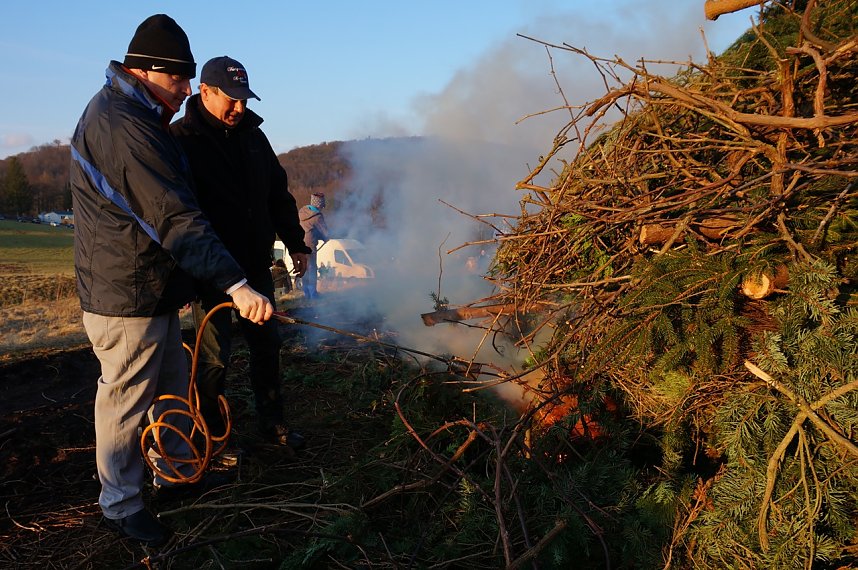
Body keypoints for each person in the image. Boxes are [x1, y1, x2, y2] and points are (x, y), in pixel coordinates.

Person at [69, 15, 275, 548]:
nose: (185, 90)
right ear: (148, 70)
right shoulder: (124, 125)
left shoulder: (136, 112)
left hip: (152, 288)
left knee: (170, 386)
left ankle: (179, 472)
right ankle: (121, 504)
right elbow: (174, 216)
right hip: (124, 295)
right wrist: (236, 284)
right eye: (180, 80)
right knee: (125, 398)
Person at [170, 56, 311, 456]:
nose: (239, 108)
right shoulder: (182, 140)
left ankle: (273, 423)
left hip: (254, 264)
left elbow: (278, 195)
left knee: (267, 346)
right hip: (210, 274)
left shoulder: (254, 137)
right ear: (205, 91)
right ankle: (213, 435)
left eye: (244, 100)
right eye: (230, 100)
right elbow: (175, 217)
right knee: (213, 357)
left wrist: (296, 242)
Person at [298, 192, 330, 299]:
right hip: (309, 246)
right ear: (319, 205)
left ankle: (306, 293)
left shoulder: (302, 212)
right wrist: (326, 238)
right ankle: (313, 294)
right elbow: (324, 232)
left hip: (299, 244)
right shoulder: (317, 217)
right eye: (322, 206)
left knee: (304, 268)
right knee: (311, 269)